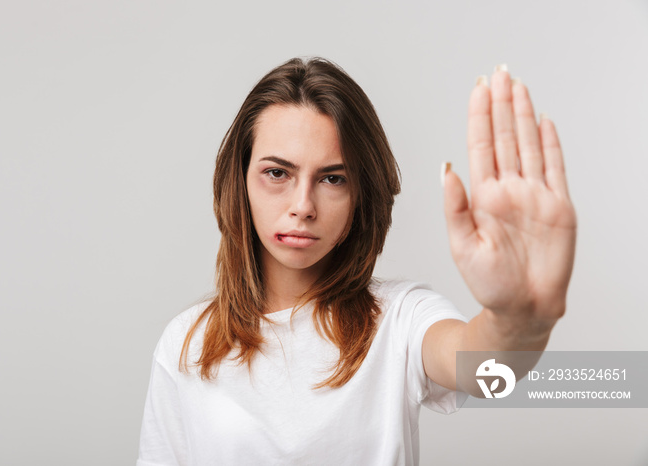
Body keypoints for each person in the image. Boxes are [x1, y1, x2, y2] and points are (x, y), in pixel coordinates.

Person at [136, 57, 577, 466]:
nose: (303, 205)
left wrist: (520, 318)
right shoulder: (185, 345)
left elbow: (485, 368)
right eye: (277, 173)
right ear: (241, 180)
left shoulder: (401, 319)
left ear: (360, 195)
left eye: (332, 178)